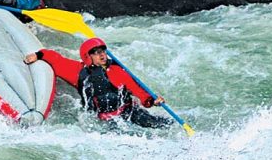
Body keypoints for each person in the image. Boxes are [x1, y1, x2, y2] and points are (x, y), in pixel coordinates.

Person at [23, 37, 172, 128]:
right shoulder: (77, 71)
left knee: (164, 125)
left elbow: (137, 90)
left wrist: (152, 101)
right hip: (105, 120)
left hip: (129, 112)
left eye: (102, 51)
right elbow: (56, 60)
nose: (101, 54)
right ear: (88, 56)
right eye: (96, 52)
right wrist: (39, 55)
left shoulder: (117, 70)